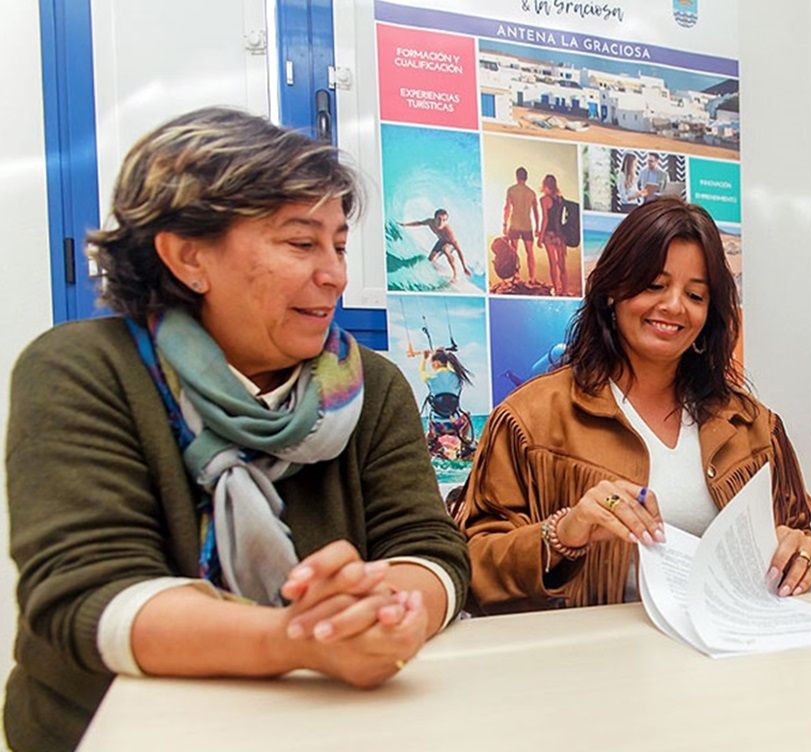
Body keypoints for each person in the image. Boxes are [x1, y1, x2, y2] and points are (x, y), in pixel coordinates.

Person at [4, 107, 470, 752]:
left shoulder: (368, 384)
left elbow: (430, 549)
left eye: (338, 244)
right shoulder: (83, 370)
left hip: (336, 725)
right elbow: (88, 596)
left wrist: (384, 608)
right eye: (301, 243)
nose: (333, 272)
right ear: (189, 256)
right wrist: (299, 638)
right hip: (119, 730)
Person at [459, 197, 811, 614]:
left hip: (730, 655)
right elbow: (474, 569)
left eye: (695, 294)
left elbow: (805, 546)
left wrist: (803, 553)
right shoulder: (528, 418)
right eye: (654, 285)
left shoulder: (754, 426)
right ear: (611, 293)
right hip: (592, 666)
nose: (674, 306)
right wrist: (565, 532)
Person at [397, 208, 473, 282]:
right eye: (439, 219)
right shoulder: (430, 222)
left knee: (445, 249)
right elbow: (419, 223)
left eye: (444, 220)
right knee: (430, 260)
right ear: (434, 218)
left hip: (450, 244)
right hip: (441, 242)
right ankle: (441, 270)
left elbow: (459, 250)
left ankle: (455, 275)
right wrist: (405, 225)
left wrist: (464, 267)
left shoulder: (449, 232)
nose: (441, 222)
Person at [503, 166, 540, 280]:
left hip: (514, 225)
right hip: (527, 225)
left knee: (514, 252)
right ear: (526, 177)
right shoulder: (532, 193)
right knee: (530, 253)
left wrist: (505, 224)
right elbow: (536, 212)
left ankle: (516, 276)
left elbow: (507, 208)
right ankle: (532, 277)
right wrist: (537, 227)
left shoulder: (511, 190)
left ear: (516, 176)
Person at [536, 173, 570, 295]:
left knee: (552, 263)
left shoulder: (544, 200)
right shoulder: (560, 199)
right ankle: (565, 291)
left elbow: (545, 219)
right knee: (562, 264)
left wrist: (540, 237)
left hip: (549, 235)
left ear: (545, 185)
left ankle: (556, 289)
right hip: (560, 235)